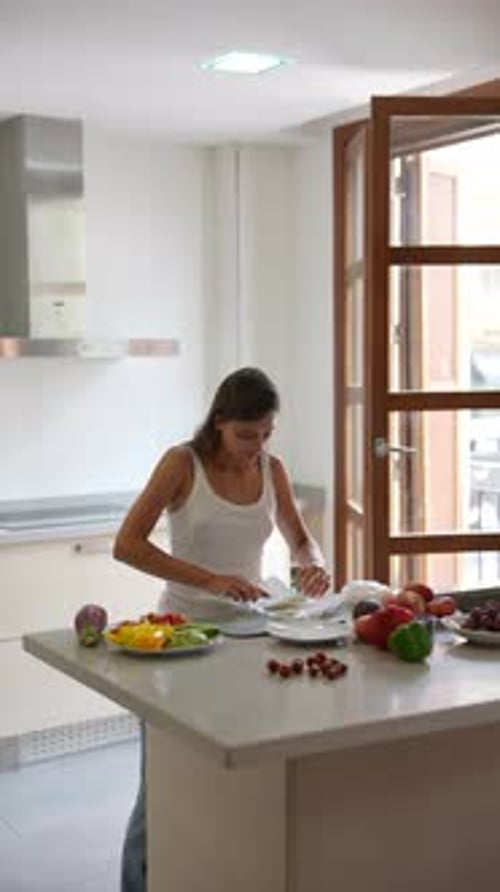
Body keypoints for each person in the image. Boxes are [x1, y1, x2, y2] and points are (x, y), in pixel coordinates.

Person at [113, 366, 331, 892]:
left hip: (250, 639)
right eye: (245, 435)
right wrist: (211, 580)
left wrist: (313, 563)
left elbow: (301, 540)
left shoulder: (271, 468)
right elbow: (128, 545)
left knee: (239, 779)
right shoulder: (181, 463)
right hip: (181, 638)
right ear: (218, 423)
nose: (256, 447)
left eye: (265, 434)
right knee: (159, 786)